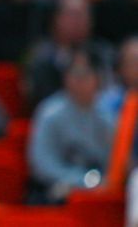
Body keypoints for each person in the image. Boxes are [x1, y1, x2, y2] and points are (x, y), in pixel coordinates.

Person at [27, 47, 114, 204]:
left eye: (84, 74)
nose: (78, 80)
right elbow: (42, 164)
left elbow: (112, 162)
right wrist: (83, 181)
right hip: (54, 189)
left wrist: (97, 182)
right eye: (73, 74)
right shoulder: (50, 112)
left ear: (99, 78)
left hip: (98, 190)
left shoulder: (107, 116)